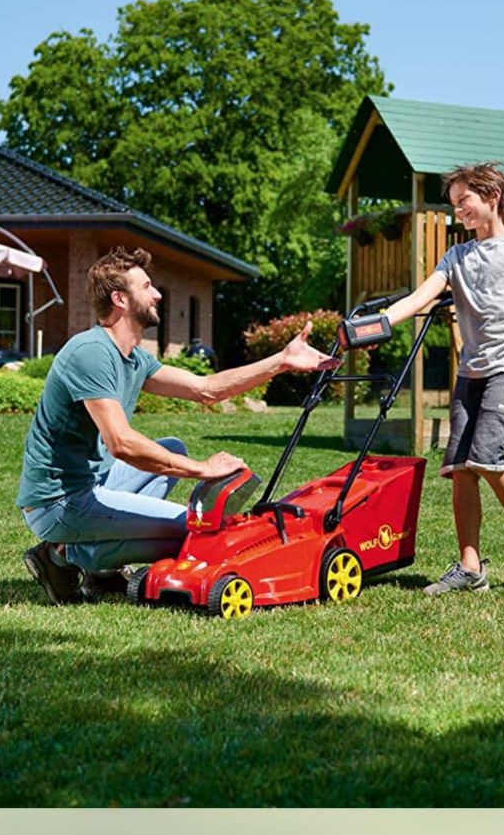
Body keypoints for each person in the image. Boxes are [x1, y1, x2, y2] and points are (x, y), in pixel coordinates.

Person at [17, 245, 336, 604]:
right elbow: (122, 442)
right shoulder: (90, 353)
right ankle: (61, 555)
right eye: (148, 286)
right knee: (196, 532)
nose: (157, 294)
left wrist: (282, 361)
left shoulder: (134, 358)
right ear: (120, 299)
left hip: (94, 482)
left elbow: (207, 389)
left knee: (172, 450)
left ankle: (96, 567)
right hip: (59, 501)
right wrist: (202, 470)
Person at [380, 162, 504, 597]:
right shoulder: (456, 257)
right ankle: (470, 565)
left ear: (492, 197)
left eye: (465, 202)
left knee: (485, 457)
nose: (458, 210)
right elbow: (421, 296)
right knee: (460, 468)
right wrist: (378, 324)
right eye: (455, 204)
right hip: (472, 370)